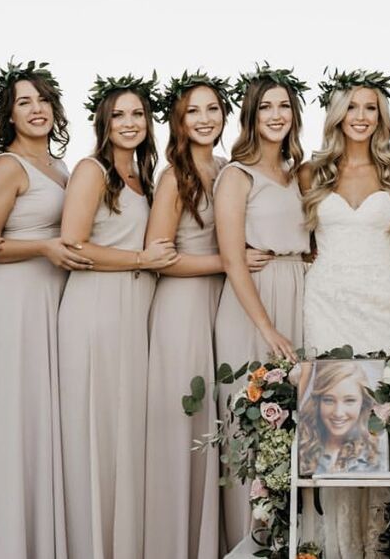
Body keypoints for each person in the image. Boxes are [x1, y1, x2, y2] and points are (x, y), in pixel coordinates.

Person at [57, 73, 175, 559]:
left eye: (138, 114)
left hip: (133, 311)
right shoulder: (92, 171)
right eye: (119, 115)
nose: (130, 123)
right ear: (103, 123)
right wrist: (140, 259)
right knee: (96, 431)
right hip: (95, 310)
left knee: (124, 434)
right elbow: (72, 245)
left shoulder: (144, 178)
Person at [0, 60, 83, 559]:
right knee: (18, 418)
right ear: (9, 115)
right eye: (24, 102)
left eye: (42, 100)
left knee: (47, 422)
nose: (36, 109)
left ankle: (45, 537)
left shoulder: (61, 167)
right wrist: (41, 247)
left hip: (54, 300)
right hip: (14, 303)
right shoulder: (6, 167)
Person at [297, 69, 390, 558]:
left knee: (379, 415)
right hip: (327, 304)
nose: (361, 116)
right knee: (333, 421)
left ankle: (378, 546)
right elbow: (295, 237)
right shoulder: (312, 172)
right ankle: (332, 547)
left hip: (381, 303)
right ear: (337, 115)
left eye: (370, 108)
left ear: (381, 116)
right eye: (352, 107)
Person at [213, 63, 310, 552]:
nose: (276, 115)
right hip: (255, 301)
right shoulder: (237, 175)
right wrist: (267, 326)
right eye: (265, 107)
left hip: (298, 291)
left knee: (293, 421)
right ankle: (248, 542)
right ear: (250, 116)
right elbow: (232, 258)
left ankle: (292, 542)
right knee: (253, 421)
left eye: (284, 106)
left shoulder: (297, 174)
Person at [143, 72, 234, 559]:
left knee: (219, 422)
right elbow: (159, 257)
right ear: (178, 121)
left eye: (212, 108)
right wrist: (229, 262)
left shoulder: (228, 168)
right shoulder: (173, 176)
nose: (204, 119)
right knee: (188, 423)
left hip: (223, 303)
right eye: (193, 111)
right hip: (182, 306)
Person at [297, 361, 386, 476]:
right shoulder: (303, 445)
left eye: (349, 401)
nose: (338, 413)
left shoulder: (378, 453)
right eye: (329, 400)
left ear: (363, 403)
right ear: (318, 403)